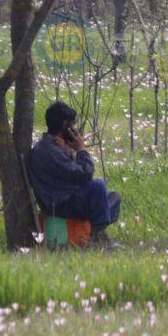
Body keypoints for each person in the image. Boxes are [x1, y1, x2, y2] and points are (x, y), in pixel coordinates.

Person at [29, 101, 122, 248]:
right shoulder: (49, 151)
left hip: (66, 198)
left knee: (113, 198)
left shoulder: (51, 147)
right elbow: (85, 174)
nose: (75, 130)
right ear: (65, 126)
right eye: (72, 126)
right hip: (60, 205)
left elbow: (71, 172)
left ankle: (96, 230)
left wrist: (68, 151)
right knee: (98, 187)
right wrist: (81, 150)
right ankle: (98, 236)